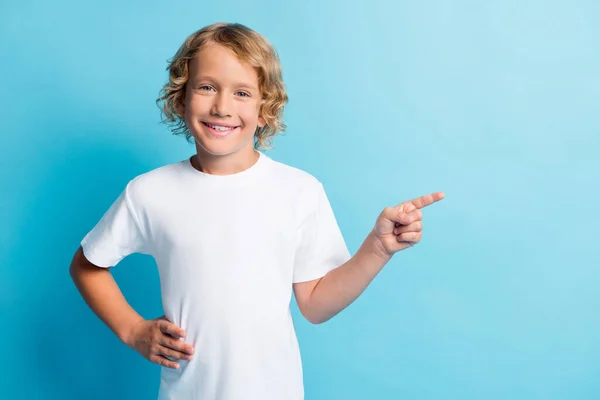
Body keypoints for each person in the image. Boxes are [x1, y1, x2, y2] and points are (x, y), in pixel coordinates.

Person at [69, 22, 444, 400]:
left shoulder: (299, 192)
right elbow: (87, 265)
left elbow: (315, 304)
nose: (222, 106)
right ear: (181, 99)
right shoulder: (150, 192)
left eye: (242, 93)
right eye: (206, 87)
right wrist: (133, 331)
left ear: (265, 109)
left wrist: (377, 250)